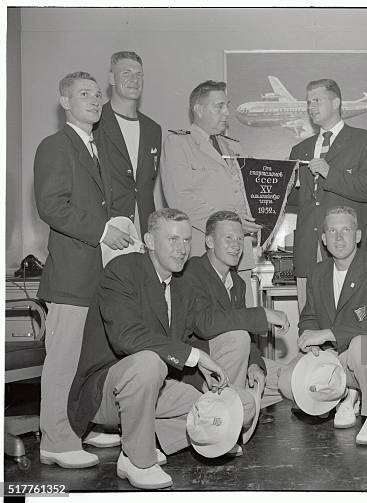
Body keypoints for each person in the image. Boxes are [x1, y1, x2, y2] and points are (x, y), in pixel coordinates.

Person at [67, 209, 253, 489]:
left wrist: (205, 381)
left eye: (187, 241)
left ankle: (143, 437)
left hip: (158, 388)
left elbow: (189, 339)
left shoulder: (181, 284)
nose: (182, 249)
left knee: (241, 406)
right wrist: (196, 357)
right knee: (148, 363)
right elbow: (127, 337)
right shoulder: (123, 271)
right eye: (173, 240)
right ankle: (136, 458)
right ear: (150, 241)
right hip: (105, 392)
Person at [34, 72, 132, 468]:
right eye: (83, 94)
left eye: (96, 94)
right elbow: (52, 206)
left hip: (100, 276)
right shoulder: (56, 146)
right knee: (63, 362)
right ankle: (55, 440)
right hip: (72, 277)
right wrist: (103, 230)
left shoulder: (97, 149)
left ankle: (84, 424)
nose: (93, 100)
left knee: (92, 359)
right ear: (65, 101)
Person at [281, 206, 367, 445]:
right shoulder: (317, 272)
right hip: (334, 355)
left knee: (361, 346)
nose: (338, 237)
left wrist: (327, 334)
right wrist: (309, 339)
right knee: (286, 382)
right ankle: (346, 394)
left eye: (346, 230)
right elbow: (309, 316)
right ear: (323, 239)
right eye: (332, 231)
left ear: (358, 235)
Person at [289, 78, 367, 311]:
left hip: (348, 254)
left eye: (317, 100)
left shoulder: (366, 141)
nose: (311, 106)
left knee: (352, 325)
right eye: (308, 101)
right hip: (308, 254)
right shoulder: (299, 149)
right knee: (309, 323)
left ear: (336, 102)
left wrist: (331, 173)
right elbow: (294, 200)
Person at [160, 80, 259, 305]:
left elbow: (247, 196)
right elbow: (181, 199)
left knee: (245, 321)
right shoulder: (178, 143)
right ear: (198, 109)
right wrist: (229, 228)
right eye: (219, 106)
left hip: (239, 255)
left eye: (227, 106)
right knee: (205, 323)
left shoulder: (235, 147)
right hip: (202, 254)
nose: (227, 112)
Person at [178, 210, 289, 404]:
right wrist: (262, 313)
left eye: (240, 238)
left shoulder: (237, 282)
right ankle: (226, 415)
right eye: (228, 238)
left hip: (235, 361)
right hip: (198, 368)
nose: (236, 245)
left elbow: (246, 333)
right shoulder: (192, 271)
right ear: (210, 242)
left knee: (289, 380)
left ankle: (237, 399)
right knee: (238, 338)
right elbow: (204, 324)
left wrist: (253, 364)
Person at [94, 51, 162, 238]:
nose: (134, 79)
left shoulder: (153, 129)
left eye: (139, 74)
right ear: (111, 79)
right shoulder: (95, 124)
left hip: (145, 233)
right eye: (126, 73)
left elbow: (146, 184)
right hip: (108, 232)